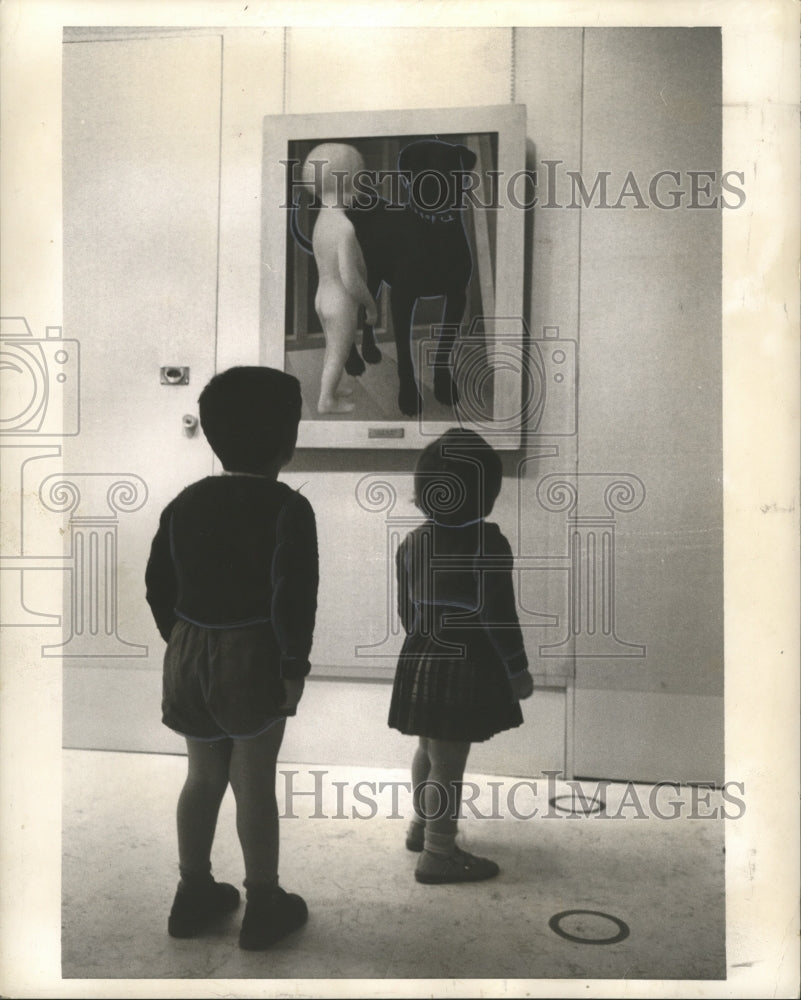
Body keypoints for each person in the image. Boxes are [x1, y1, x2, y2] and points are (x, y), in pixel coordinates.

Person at [144, 366, 318, 950]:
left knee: (201, 777)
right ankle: (265, 901)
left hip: (189, 648)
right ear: (287, 441)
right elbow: (294, 597)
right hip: (254, 656)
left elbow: (157, 583)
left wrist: (183, 640)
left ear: (215, 436)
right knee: (253, 782)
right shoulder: (289, 508)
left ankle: (193, 891)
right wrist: (293, 668)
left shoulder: (185, 502)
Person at [388, 427, 534, 884]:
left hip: (421, 655)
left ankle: (421, 825)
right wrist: (517, 670)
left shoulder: (412, 542)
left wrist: (424, 639)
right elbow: (500, 615)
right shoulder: (488, 543)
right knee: (449, 763)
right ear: (486, 498)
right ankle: (438, 852)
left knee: (427, 750)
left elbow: (406, 611)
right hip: (463, 661)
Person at [302, 142, 378, 414]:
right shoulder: (345, 227)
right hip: (340, 301)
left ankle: (330, 388)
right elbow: (350, 277)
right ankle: (326, 401)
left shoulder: (323, 219)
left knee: (331, 348)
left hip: (322, 298)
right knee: (338, 352)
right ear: (351, 183)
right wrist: (370, 305)